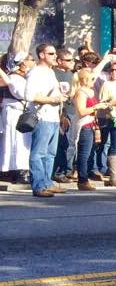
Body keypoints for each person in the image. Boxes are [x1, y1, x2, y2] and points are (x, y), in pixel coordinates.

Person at [25, 43, 66, 197]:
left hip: (53, 116)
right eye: (51, 53)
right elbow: (30, 96)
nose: (55, 56)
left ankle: (47, 182)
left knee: (50, 153)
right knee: (38, 153)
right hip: (42, 117)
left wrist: (60, 102)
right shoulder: (35, 72)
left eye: (55, 53)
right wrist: (52, 99)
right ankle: (38, 186)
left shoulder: (50, 72)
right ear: (41, 55)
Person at [72, 68, 112, 191]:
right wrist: (96, 106)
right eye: (92, 79)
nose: (94, 81)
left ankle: (85, 177)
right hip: (84, 125)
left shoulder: (89, 91)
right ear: (84, 80)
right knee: (83, 154)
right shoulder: (81, 93)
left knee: (88, 153)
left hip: (91, 124)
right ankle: (82, 180)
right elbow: (81, 111)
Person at [1, 52, 34, 183]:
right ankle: (19, 171)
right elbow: (21, 94)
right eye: (31, 60)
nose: (33, 62)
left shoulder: (23, 78)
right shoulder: (14, 78)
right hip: (14, 113)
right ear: (23, 63)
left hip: (20, 113)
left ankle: (18, 170)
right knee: (17, 142)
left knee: (22, 142)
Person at [52, 47, 78, 184]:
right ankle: (57, 171)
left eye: (72, 59)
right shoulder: (53, 74)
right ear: (60, 61)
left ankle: (67, 170)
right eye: (68, 60)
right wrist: (63, 115)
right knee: (60, 144)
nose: (71, 62)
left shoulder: (72, 75)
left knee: (70, 145)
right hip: (61, 113)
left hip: (73, 112)